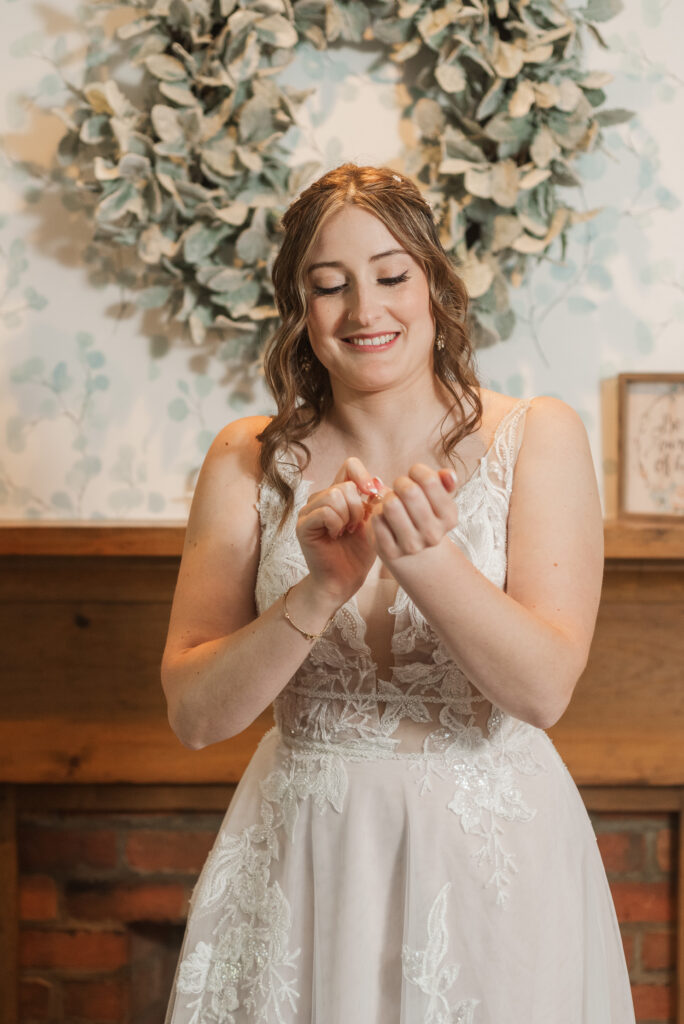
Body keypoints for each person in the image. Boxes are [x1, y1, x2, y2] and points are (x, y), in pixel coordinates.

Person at [161, 164, 635, 1023]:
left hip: (490, 862)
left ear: (435, 285)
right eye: (329, 285)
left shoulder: (536, 438)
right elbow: (195, 717)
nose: (364, 311)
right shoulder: (246, 457)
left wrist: (428, 563)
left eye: (390, 275)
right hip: (306, 856)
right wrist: (318, 592)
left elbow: (543, 690)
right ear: (299, 308)